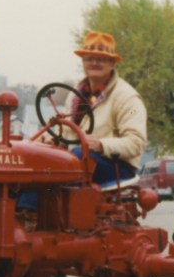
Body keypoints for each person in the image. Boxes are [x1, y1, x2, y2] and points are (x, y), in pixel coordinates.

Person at [62, 31, 147, 185]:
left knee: (76, 159)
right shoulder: (75, 95)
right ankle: (25, 209)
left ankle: (61, 208)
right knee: (39, 159)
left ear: (112, 63)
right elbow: (65, 133)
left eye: (101, 59)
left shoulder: (127, 97)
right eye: (90, 58)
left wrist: (101, 145)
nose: (95, 63)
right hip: (78, 159)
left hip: (116, 167)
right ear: (83, 62)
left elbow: (136, 143)